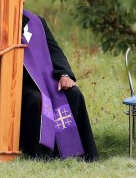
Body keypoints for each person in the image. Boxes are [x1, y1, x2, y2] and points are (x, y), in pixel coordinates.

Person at [19, 9, 98, 161]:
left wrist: (64, 74)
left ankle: (79, 153)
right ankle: (40, 154)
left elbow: (55, 51)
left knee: (73, 93)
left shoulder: (37, 23)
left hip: (47, 80)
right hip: (23, 83)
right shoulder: (1, 23)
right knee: (37, 100)